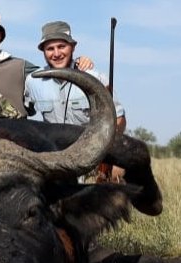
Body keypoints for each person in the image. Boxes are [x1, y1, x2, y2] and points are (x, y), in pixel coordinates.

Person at [24, 21, 127, 180]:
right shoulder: (33, 81)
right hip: (55, 157)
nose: (56, 53)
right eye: (50, 49)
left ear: (73, 47)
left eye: (61, 46)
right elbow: (24, 111)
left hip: (92, 154)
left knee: (117, 173)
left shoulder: (95, 77)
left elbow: (119, 119)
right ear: (43, 51)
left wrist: (107, 149)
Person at [0, 11, 94, 117]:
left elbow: (55, 69)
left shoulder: (20, 66)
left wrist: (78, 61)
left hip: (15, 140)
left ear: (0, 36)